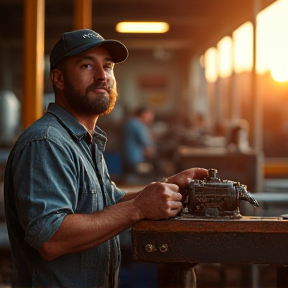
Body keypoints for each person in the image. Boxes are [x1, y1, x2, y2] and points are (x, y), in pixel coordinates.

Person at [4, 28, 208, 288]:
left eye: (108, 66)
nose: (102, 76)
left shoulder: (83, 140)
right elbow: (51, 238)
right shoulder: (47, 142)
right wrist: (138, 208)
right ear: (59, 79)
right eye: (87, 65)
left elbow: (111, 202)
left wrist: (169, 186)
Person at [122, 106, 157, 175]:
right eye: (150, 114)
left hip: (126, 158)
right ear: (143, 113)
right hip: (134, 159)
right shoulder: (137, 125)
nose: (151, 117)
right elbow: (146, 143)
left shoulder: (130, 122)